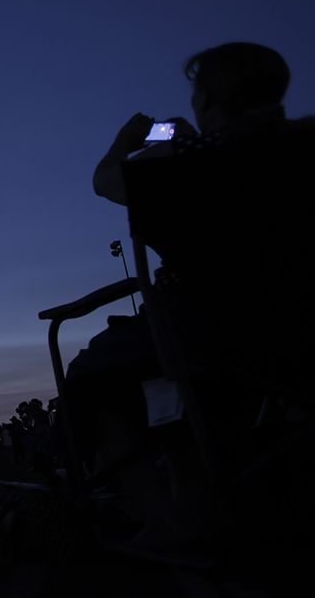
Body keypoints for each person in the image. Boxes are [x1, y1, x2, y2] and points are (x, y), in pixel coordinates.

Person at [68, 42, 312, 548]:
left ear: (204, 97)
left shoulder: (179, 160)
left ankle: (168, 526)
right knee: (167, 373)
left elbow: (104, 182)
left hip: (204, 332)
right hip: (300, 339)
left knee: (98, 375)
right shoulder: (304, 143)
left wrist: (124, 141)